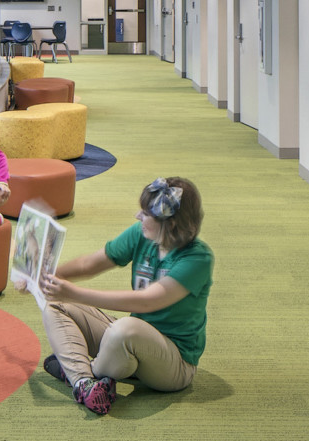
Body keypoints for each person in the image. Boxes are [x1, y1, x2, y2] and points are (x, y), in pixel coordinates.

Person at [36, 177, 212, 416]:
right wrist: (45, 276)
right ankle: (84, 383)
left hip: (175, 364)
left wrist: (75, 292)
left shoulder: (198, 259)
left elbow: (148, 301)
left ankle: (80, 370)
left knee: (124, 329)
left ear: (170, 224)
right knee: (57, 305)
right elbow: (90, 264)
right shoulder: (142, 234)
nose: (138, 216)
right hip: (132, 347)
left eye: (147, 213)